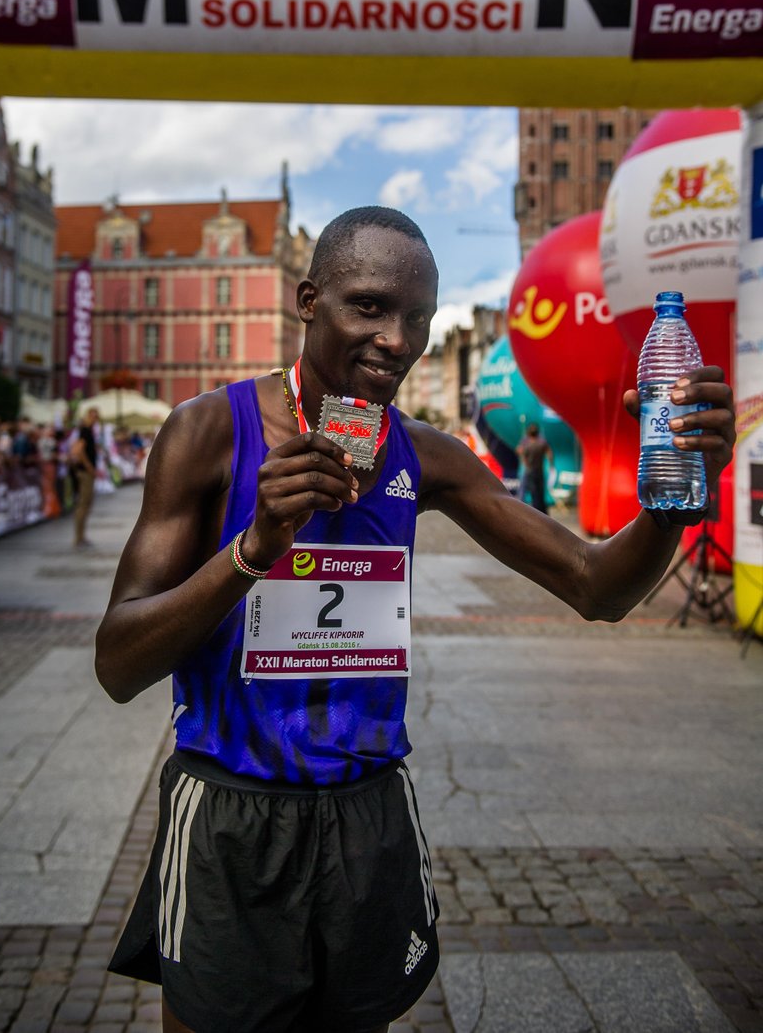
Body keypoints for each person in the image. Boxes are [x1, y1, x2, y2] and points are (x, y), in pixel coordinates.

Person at [95, 207, 735, 1033]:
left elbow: (594, 585)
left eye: (419, 320)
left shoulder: (427, 455)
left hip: (369, 813)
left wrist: (674, 495)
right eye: (368, 307)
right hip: (231, 808)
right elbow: (118, 663)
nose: (397, 340)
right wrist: (252, 550)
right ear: (307, 300)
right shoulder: (209, 433)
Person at [69, 406, 100, 549]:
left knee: (87, 504)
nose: (94, 419)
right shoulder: (85, 431)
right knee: (83, 504)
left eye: (96, 416)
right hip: (85, 472)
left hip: (87, 471)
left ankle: (81, 536)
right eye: (92, 416)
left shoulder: (88, 431)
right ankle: (78, 537)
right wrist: (89, 468)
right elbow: (80, 450)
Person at [517, 421, 555, 513]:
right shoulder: (542, 443)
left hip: (530, 471)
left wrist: (526, 464)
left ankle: (532, 511)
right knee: (540, 493)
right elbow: (550, 454)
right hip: (539, 471)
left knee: (531, 493)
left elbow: (520, 452)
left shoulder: (527, 445)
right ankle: (543, 512)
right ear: (538, 433)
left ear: (528, 433)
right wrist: (551, 465)